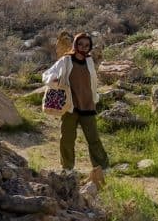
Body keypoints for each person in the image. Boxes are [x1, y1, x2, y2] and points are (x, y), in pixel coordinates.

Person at [41, 32, 111, 183]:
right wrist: (54, 80)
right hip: (70, 106)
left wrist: (95, 98)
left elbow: (92, 83)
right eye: (80, 44)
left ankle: (103, 167)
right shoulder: (66, 60)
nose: (83, 48)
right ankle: (67, 168)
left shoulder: (90, 61)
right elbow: (46, 75)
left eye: (86, 45)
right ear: (75, 45)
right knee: (67, 138)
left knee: (93, 138)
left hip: (88, 105)